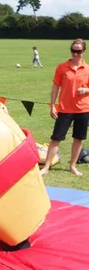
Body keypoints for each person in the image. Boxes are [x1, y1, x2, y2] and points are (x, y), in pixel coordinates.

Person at [40, 38, 89, 177]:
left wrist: (86, 91)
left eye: (78, 51)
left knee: (78, 139)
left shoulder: (87, 68)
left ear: (83, 52)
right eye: (73, 51)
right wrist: (52, 106)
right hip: (64, 109)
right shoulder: (62, 67)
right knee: (56, 138)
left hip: (83, 109)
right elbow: (55, 86)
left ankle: (72, 166)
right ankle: (46, 167)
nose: (75, 54)